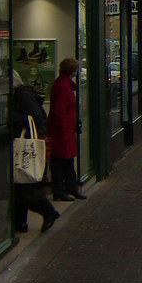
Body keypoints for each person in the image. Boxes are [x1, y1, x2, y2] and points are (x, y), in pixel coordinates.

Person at [13, 72, 60, 234]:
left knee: (25, 185)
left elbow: (35, 118)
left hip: (28, 146)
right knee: (20, 184)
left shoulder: (22, 96)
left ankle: (48, 212)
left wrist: (10, 116)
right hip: (31, 144)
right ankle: (20, 222)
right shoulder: (25, 94)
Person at [47, 57, 86, 202]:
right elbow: (59, 111)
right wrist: (64, 129)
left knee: (66, 161)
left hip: (65, 130)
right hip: (62, 132)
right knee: (60, 162)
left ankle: (70, 188)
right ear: (73, 71)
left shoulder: (63, 85)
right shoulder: (63, 87)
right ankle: (61, 190)